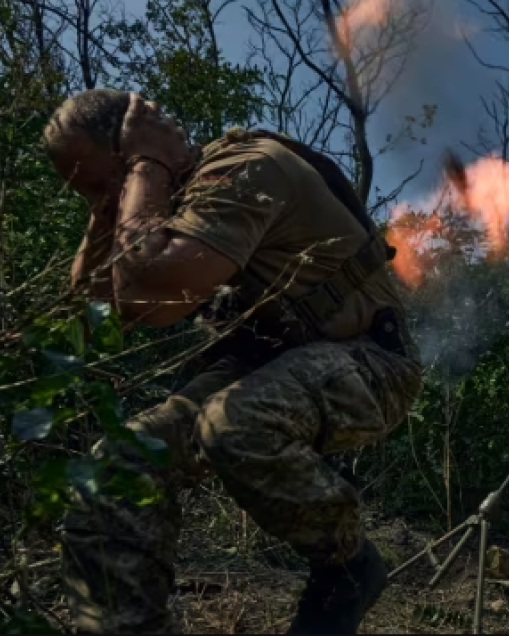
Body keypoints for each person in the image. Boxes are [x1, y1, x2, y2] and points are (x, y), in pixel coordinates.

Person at [42, 88, 422, 634]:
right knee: (116, 465)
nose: (110, 202)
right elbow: (95, 319)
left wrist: (146, 166)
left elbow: (153, 287)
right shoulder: (161, 200)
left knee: (234, 424)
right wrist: (107, 209)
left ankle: (347, 566)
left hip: (370, 364)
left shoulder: (247, 170)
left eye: (107, 186)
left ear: (131, 153)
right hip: (261, 368)